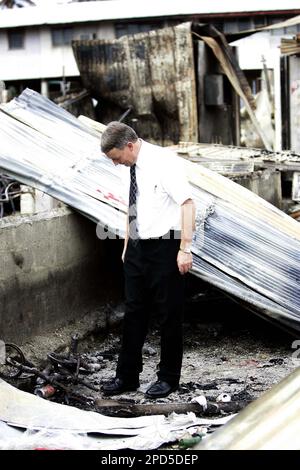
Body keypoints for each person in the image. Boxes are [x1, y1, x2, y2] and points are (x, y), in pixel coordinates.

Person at [100, 122, 195, 399]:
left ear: (129, 145)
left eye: (117, 158)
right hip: (137, 248)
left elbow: (187, 203)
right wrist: (128, 245)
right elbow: (131, 206)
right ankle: (127, 376)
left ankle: (168, 378)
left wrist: (185, 248)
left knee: (169, 314)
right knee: (133, 313)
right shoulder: (126, 168)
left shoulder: (164, 163)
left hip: (166, 246)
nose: (116, 164)